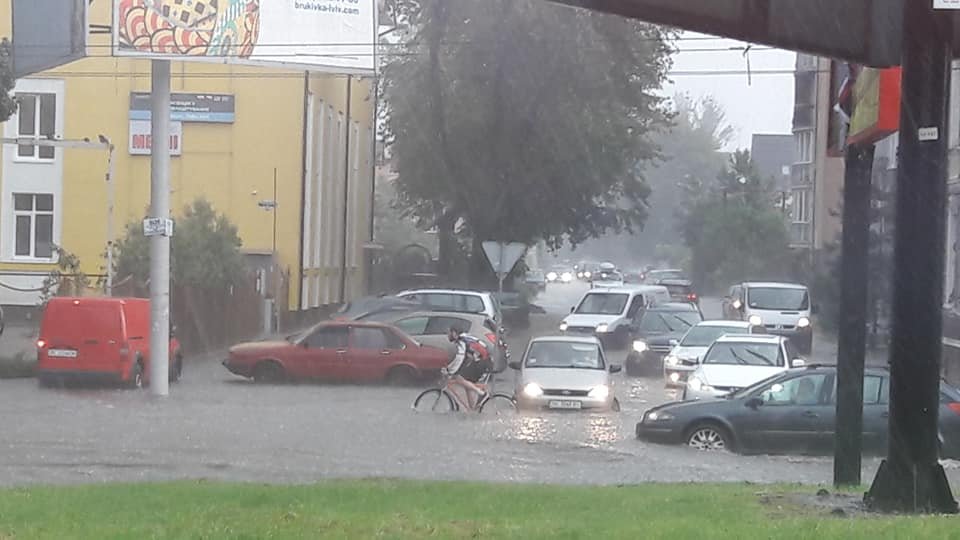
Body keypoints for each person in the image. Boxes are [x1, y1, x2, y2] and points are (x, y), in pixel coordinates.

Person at [444, 326, 490, 410]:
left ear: (454, 333)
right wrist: (450, 368)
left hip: (481, 363)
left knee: (458, 378)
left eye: (449, 333)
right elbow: (462, 359)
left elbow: (459, 358)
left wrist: (450, 370)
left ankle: (481, 393)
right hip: (483, 361)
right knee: (466, 383)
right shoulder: (465, 338)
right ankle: (472, 409)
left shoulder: (461, 341)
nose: (448, 335)